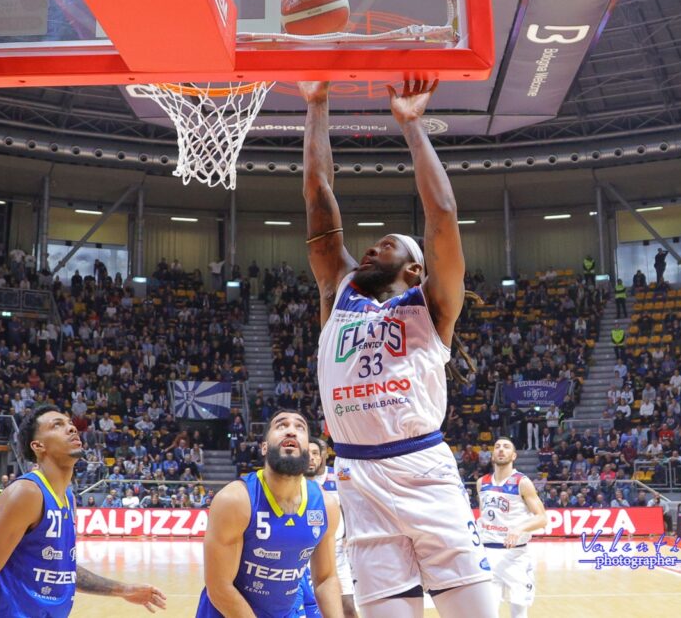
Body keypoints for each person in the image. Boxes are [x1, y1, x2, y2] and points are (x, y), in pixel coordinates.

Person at [301, 79, 495, 617]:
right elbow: (319, 194)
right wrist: (317, 103)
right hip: (358, 480)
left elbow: (443, 214)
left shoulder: (431, 305)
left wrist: (411, 125)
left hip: (424, 472)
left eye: (385, 244)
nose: (367, 247)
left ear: (413, 267)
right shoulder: (336, 293)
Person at [0, 405, 166, 618]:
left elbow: (64, 571)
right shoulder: (26, 492)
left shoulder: (67, 497)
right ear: (38, 446)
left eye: (70, 424)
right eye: (57, 425)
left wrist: (123, 589)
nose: (71, 429)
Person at [197, 410, 343, 618]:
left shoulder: (326, 505)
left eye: (300, 427)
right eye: (281, 425)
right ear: (264, 447)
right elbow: (219, 587)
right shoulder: (236, 500)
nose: (291, 431)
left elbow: (326, 578)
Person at [477, 438, 547, 618]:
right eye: (497, 447)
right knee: (487, 612)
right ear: (492, 455)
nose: (501, 450)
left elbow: (542, 518)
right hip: (488, 554)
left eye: (506, 447)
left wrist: (519, 529)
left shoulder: (522, 482)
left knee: (518, 611)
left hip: (516, 555)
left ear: (514, 455)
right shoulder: (481, 482)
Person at [301, 437, 358, 618]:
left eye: (316, 453)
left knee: (348, 606)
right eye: (307, 454)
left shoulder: (340, 475)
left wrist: (350, 534)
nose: (311, 458)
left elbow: (351, 506)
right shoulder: (297, 480)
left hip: (337, 552)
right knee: (312, 607)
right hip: (307, 554)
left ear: (324, 454)